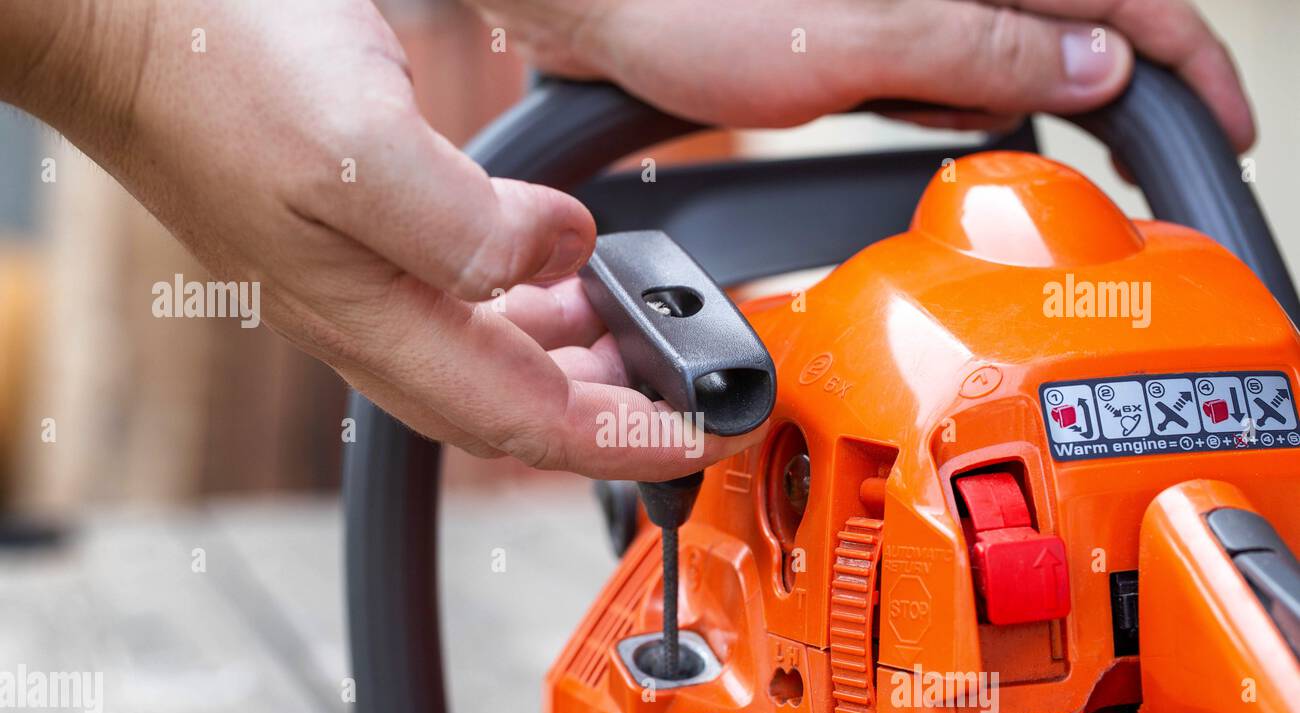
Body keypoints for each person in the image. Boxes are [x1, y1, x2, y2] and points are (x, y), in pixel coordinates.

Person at [0, 0, 1253, 479]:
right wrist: (136, 44)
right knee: (185, 492)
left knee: (626, 447)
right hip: (233, 70)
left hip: (646, 70)